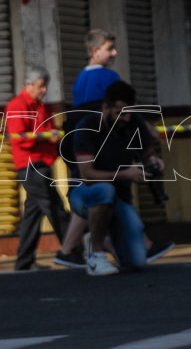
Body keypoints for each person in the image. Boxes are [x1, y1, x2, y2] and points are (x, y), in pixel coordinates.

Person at [66, 80, 164, 276]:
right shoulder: (86, 126)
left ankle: (98, 237)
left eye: (129, 112)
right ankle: (96, 256)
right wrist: (126, 174)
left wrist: (154, 162)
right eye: (120, 112)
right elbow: (87, 175)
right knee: (104, 190)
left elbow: (146, 155)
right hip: (84, 194)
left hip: (121, 198)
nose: (125, 118)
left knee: (137, 262)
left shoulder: (134, 123)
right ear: (105, 108)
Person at [4, 63, 75, 270]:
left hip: (42, 162)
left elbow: (46, 129)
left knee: (33, 214)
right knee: (55, 208)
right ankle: (72, 251)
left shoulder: (40, 105)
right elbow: (19, 139)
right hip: (31, 165)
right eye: (41, 85)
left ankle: (24, 261)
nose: (44, 90)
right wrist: (47, 137)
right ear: (28, 85)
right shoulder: (18, 105)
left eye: (45, 86)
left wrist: (54, 134)